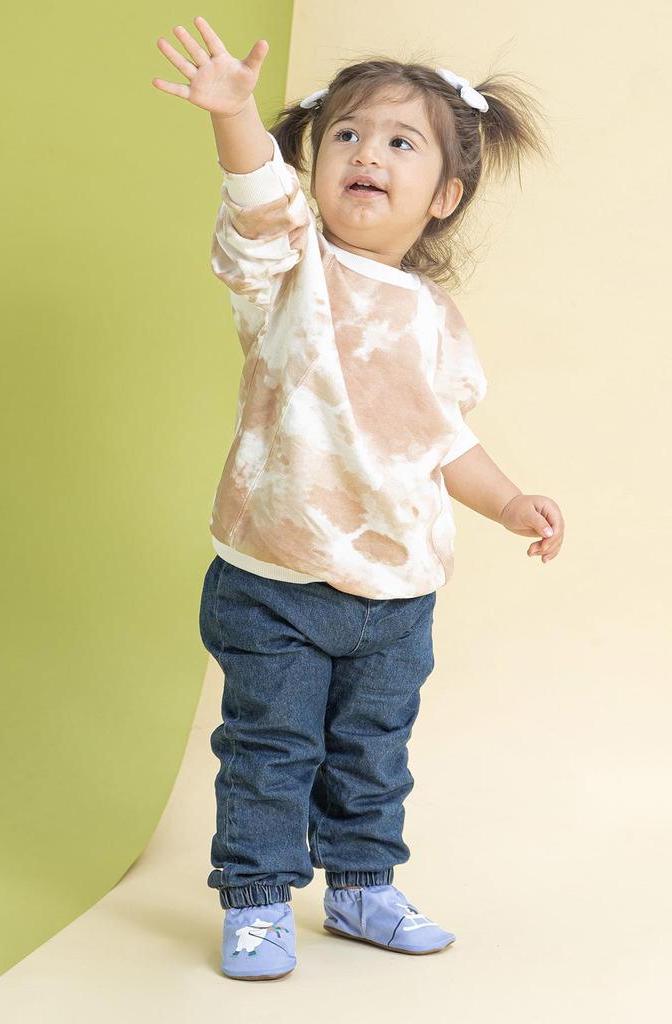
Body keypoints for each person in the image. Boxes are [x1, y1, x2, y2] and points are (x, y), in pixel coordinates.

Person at [153, 17, 565, 981]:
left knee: (373, 752)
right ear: (315, 165)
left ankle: (362, 887)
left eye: (399, 142)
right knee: (270, 747)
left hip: (397, 594)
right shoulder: (291, 268)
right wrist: (233, 117)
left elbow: (444, 439)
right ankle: (258, 900)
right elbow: (259, 200)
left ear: (444, 196)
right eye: (346, 134)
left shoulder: (435, 318)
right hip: (278, 579)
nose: (367, 153)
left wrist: (509, 502)